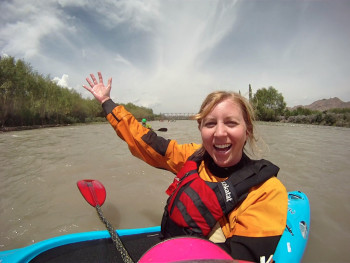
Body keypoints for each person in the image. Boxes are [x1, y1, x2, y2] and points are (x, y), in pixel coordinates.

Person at [83, 72, 288, 262]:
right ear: (200, 129)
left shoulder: (266, 191)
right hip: (167, 246)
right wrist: (106, 102)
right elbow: (144, 141)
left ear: (248, 131)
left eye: (231, 123)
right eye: (210, 124)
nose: (219, 133)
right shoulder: (193, 156)